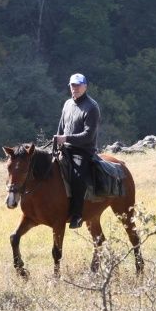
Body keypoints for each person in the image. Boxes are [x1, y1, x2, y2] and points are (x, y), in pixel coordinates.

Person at [54, 72, 100, 229]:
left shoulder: (91, 107)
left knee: (77, 176)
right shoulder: (67, 104)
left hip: (83, 151)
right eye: (73, 85)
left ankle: (77, 215)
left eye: (79, 85)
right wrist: (58, 142)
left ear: (85, 87)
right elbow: (61, 126)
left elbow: (88, 135)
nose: (75, 88)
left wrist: (65, 138)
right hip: (65, 148)